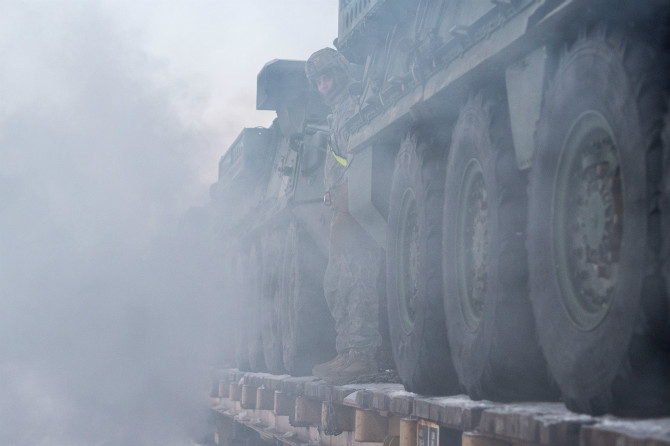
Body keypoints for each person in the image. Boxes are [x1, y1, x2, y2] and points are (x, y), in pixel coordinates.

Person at [305, 47, 382, 385]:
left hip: (355, 208)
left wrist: (346, 204)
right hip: (343, 205)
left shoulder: (353, 105)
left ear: (340, 74)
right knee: (338, 282)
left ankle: (360, 355)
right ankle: (348, 353)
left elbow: (359, 156)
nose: (324, 84)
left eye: (328, 77)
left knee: (355, 281)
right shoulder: (337, 113)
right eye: (318, 80)